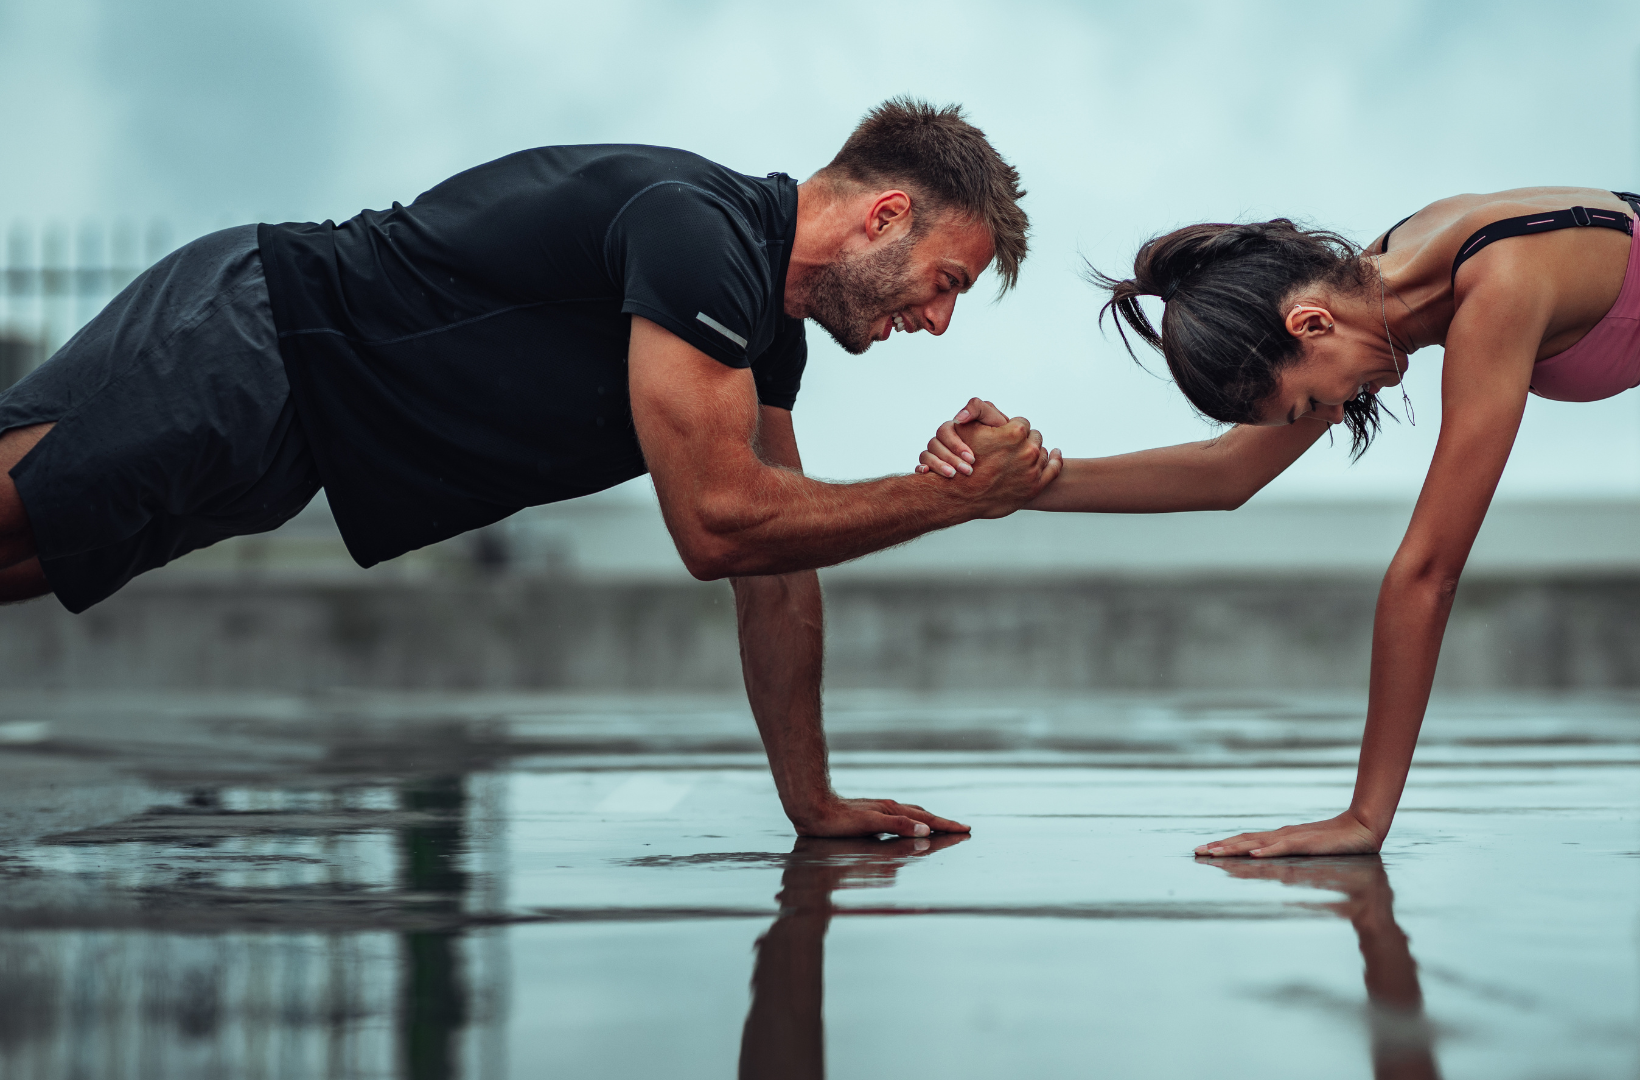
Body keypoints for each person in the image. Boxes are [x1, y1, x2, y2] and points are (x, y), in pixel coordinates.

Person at [0, 97, 1061, 841]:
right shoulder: (699, 233)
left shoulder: (761, 330)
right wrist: (953, 498)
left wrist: (814, 801)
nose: (936, 318)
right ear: (883, 218)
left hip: (299, 428)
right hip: (259, 336)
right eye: (943, 280)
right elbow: (720, 525)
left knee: (30, 557)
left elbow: (773, 569)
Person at [914, 166, 1640, 856]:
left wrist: (1363, 817)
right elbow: (1229, 475)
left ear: (1309, 323)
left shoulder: (1497, 287)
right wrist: (1034, 480)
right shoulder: (1392, 268)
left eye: (1312, 399)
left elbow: (1427, 570)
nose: (1335, 413)